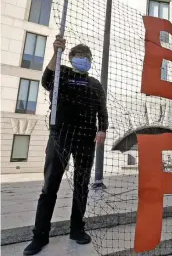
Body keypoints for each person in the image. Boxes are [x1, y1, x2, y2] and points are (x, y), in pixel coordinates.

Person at [24, 36, 109, 255]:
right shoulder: (62, 73)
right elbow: (46, 81)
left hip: (85, 139)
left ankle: (77, 230)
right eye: (80, 57)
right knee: (50, 185)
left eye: (87, 58)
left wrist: (102, 129)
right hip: (60, 136)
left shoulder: (95, 84)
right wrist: (55, 52)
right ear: (71, 58)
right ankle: (40, 236)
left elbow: (102, 109)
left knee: (81, 185)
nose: (84, 60)